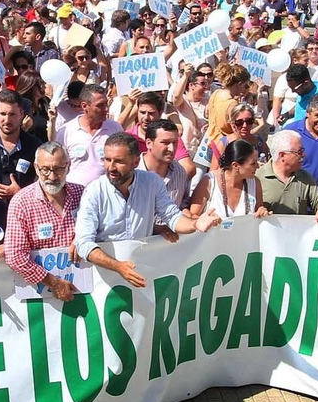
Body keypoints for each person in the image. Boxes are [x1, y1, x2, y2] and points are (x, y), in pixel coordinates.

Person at [73, 134, 219, 287]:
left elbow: (173, 217)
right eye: (107, 160)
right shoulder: (94, 191)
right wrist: (118, 266)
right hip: (104, 279)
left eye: (119, 161)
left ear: (135, 162)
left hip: (141, 273)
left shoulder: (152, 182)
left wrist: (195, 224)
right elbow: (83, 243)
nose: (111, 167)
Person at [3, 142, 85, 299]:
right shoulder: (21, 202)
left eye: (58, 169)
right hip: (40, 297)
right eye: (45, 170)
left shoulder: (83, 194)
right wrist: (53, 282)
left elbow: (102, 231)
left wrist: (82, 237)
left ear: (68, 166)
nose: (52, 177)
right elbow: (15, 256)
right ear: (36, 167)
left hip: (84, 288)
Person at [257, 129, 318, 224]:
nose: (304, 155)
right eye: (299, 152)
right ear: (282, 155)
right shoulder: (257, 178)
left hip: (297, 235)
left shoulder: (305, 177)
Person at [138, 118, 197, 210]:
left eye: (175, 143)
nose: (172, 149)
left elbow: (181, 205)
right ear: (149, 143)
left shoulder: (180, 172)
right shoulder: (133, 172)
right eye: (165, 143)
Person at [206, 139, 265, 219]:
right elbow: (193, 216)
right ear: (235, 165)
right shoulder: (209, 181)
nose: (258, 166)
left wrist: (262, 213)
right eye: (253, 163)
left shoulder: (255, 183)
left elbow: (258, 214)